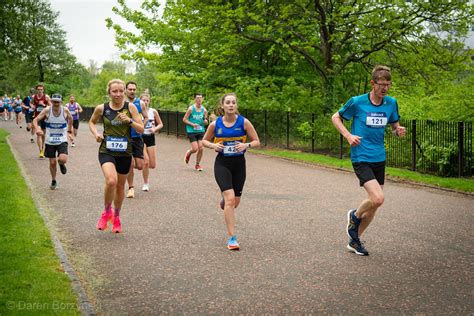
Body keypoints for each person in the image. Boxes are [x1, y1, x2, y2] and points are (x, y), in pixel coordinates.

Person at [331, 65, 406, 256]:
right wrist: (348, 135)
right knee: (378, 198)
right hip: (361, 155)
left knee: (375, 205)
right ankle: (354, 215)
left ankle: (354, 241)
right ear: (372, 83)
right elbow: (336, 117)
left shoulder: (391, 103)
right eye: (381, 85)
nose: (385, 89)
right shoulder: (357, 102)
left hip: (379, 156)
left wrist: (398, 130)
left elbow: (393, 124)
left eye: (388, 85)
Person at [202, 93, 260, 250]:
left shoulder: (244, 122)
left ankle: (225, 201)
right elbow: (204, 140)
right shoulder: (215, 124)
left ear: (236, 106)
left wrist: (245, 145)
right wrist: (213, 146)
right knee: (230, 199)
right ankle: (232, 238)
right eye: (228, 102)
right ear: (223, 106)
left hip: (239, 164)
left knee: (235, 202)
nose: (231, 105)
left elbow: (257, 141)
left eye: (233, 102)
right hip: (222, 164)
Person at [88, 79, 144, 233]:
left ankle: (117, 216)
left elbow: (141, 128)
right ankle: (107, 212)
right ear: (109, 92)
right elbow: (91, 122)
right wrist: (96, 134)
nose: (118, 94)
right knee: (111, 180)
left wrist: (130, 121)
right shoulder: (102, 108)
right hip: (107, 150)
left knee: (120, 186)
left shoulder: (130, 107)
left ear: (125, 92)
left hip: (125, 153)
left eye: (121, 91)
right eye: (115, 91)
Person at [33, 94, 74, 190]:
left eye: (58, 102)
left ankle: (61, 164)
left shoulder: (65, 110)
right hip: (49, 141)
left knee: (63, 159)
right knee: (52, 163)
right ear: (51, 101)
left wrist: (69, 131)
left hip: (62, 140)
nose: (56, 103)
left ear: (61, 102)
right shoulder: (47, 110)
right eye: (54, 101)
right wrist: (37, 129)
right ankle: (54, 180)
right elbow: (35, 120)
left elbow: (71, 119)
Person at [124, 81, 148, 198]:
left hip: (137, 137)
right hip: (125, 137)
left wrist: (141, 126)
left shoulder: (141, 103)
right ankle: (131, 187)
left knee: (139, 165)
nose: (132, 91)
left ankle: (124, 165)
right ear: (125, 90)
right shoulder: (122, 103)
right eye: (130, 89)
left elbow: (146, 116)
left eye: (134, 89)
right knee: (129, 163)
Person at [140, 93, 163, 191]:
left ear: (149, 101)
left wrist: (155, 129)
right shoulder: (136, 111)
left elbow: (161, 124)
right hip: (140, 137)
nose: (145, 102)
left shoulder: (153, 111)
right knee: (146, 162)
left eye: (147, 100)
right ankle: (145, 183)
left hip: (150, 137)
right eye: (143, 100)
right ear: (140, 101)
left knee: (152, 165)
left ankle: (138, 163)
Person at [183, 93, 208, 171]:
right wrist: (192, 124)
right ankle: (189, 153)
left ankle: (197, 165)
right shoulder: (191, 109)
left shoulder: (204, 110)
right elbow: (184, 119)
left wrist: (205, 121)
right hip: (191, 130)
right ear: (194, 99)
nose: (199, 99)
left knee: (201, 148)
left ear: (202, 99)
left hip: (201, 130)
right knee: (195, 149)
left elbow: (205, 121)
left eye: (201, 98)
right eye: (197, 98)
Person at [32, 84, 51, 158]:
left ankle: (43, 147)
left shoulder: (46, 97)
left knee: (43, 134)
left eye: (41, 89)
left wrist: (43, 105)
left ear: (43, 90)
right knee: (39, 133)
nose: (40, 90)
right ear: (36, 90)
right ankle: (41, 151)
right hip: (37, 117)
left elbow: (51, 106)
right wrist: (32, 106)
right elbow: (31, 103)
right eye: (38, 89)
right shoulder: (34, 97)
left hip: (45, 117)